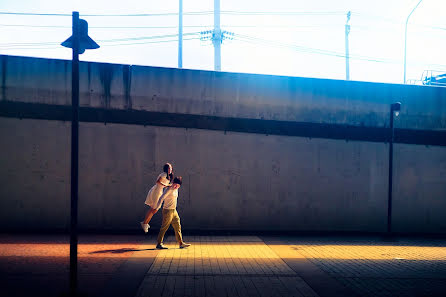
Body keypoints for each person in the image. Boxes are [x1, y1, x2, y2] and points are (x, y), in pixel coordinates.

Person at [155, 176, 191, 249]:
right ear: (173, 183)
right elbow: (161, 198)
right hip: (167, 210)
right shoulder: (169, 189)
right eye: (175, 184)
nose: (175, 186)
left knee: (177, 225)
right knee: (164, 227)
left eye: (177, 186)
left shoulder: (176, 189)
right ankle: (159, 243)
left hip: (174, 210)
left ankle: (181, 243)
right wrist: (157, 207)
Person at [140, 163, 173, 233]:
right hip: (156, 192)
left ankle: (145, 223)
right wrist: (166, 185)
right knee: (154, 208)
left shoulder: (168, 176)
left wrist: (169, 186)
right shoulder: (164, 174)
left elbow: (164, 184)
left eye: (171, 168)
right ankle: (145, 223)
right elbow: (158, 182)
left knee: (155, 209)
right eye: (169, 168)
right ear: (166, 169)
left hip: (159, 192)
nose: (170, 170)